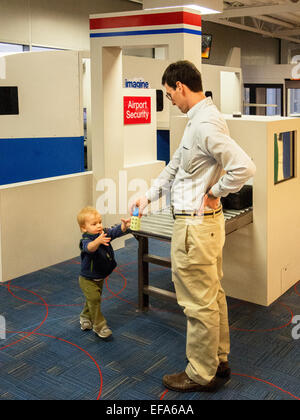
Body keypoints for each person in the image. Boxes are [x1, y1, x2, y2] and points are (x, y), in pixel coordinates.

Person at [131, 61, 256, 393]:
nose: (170, 99)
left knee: (197, 303)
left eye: (170, 93)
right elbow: (175, 165)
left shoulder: (205, 125)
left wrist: (214, 194)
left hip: (195, 229)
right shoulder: (197, 121)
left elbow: (244, 167)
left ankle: (201, 373)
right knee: (212, 296)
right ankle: (218, 359)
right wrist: (148, 197)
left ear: (181, 87)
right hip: (202, 228)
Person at [77, 206, 131, 339]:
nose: (99, 226)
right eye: (94, 224)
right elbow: (89, 248)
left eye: (100, 222)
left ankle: (85, 316)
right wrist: (98, 241)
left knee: (93, 300)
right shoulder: (86, 240)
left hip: (99, 276)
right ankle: (99, 326)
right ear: (84, 228)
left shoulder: (103, 233)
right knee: (95, 300)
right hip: (87, 279)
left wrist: (123, 226)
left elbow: (115, 232)